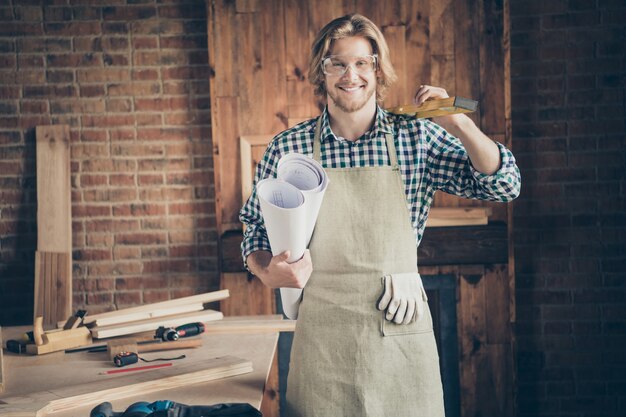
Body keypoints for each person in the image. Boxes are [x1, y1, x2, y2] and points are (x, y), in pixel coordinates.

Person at [239, 13, 521, 417]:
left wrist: (460, 124)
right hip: (322, 342)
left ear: (377, 68)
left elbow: (504, 184)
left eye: (361, 62)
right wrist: (266, 270)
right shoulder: (289, 147)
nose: (349, 75)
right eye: (336, 63)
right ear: (322, 71)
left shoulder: (416, 136)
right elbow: (254, 228)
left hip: (400, 334)